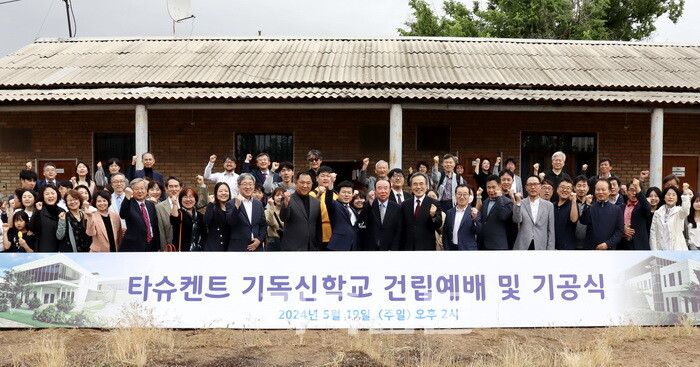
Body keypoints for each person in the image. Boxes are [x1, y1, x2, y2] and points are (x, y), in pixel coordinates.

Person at [280, 172, 322, 251]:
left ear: (312, 184)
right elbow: (284, 218)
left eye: (308, 183)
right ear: (296, 182)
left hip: (312, 248)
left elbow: (318, 226)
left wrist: (318, 247)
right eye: (302, 182)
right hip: (293, 248)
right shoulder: (288, 199)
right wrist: (286, 203)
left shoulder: (316, 202)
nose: (305, 186)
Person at [226, 173, 267, 252]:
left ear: (254, 186)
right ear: (238, 187)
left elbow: (263, 225)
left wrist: (259, 240)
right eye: (245, 184)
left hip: (257, 247)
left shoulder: (258, 204)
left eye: (250, 184)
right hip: (238, 247)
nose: (248, 187)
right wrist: (236, 207)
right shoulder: (231, 203)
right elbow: (231, 222)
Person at [400, 173, 441, 251]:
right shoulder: (405, 204)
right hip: (408, 247)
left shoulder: (434, 203)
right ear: (411, 187)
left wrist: (433, 216)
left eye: (421, 184)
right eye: (415, 184)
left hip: (426, 247)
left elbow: (438, 225)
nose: (418, 187)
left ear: (426, 186)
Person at [513, 176, 555, 250]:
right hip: (523, 244)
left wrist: (550, 250)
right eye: (530, 185)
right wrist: (518, 203)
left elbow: (551, 229)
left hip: (541, 244)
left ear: (540, 187)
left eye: (535, 184)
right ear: (526, 188)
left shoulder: (549, 205)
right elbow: (517, 220)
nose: (533, 187)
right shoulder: (521, 203)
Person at [579, 179, 624, 250]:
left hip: (609, 250)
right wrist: (587, 205)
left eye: (603, 190)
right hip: (591, 249)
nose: (600, 192)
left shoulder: (617, 209)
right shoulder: (590, 207)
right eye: (598, 189)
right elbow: (584, 221)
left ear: (609, 191)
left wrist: (607, 244)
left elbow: (619, 231)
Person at [119, 178, 160, 252]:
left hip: (150, 245)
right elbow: (123, 214)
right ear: (132, 191)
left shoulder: (150, 204)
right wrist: (127, 197)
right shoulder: (129, 203)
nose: (140, 191)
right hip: (133, 246)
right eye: (136, 189)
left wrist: (157, 246)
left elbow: (154, 226)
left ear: (146, 190)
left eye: (142, 188)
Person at [650, 184, 693, 251]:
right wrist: (654, 251)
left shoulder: (679, 211)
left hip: (677, 249)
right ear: (664, 197)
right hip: (661, 249)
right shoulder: (657, 213)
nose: (670, 197)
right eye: (668, 194)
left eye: (673, 195)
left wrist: (685, 194)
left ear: (677, 198)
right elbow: (653, 234)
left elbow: (685, 210)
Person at [362, 179, 402, 251]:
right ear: (375, 190)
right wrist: (370, 204)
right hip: (370, 249)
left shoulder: (397, 208)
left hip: (389, 249)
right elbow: (362, 223)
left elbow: (398, 231)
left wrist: (394, 249)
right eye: (379, 188)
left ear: (390, 190)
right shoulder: (369, 205)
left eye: (386, 188)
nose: (383, 191)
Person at [477, 174, 514, 251]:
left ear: (500, 187)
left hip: (498, 245)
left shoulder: (508, 202)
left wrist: (499, 198)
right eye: (488, 187)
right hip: (483, 245)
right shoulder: (485, 202)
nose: (491, 190)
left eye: (493, 187)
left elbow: (503, 216)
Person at [322, 180, 360, 251]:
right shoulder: (334, 205)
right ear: (338, 193)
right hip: (339, 245)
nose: (346, 195)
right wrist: (330, 183)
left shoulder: (353, 210)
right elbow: (328, 200)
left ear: (352, 195)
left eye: (349, 193)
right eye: (344, 192)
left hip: (353, 246)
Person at [442, 184, 481, 251]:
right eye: (459, 194)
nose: (462, 197)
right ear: (455, 196)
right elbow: (445, 234)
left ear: (469, 196)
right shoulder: (449, 212)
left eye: (465, 194)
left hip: (468, 250)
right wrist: (447, 249)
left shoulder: (474, 212)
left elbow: (478, 231)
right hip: (452, 249)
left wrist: (474, 219)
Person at [28, 184, 65, 252]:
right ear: (43, 196)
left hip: (60, 249)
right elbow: (32, 228)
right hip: (44, 249)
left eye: (53, 193)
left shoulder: (62, 211)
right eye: (47, 194)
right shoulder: (39, 210)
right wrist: (37, 211)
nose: (50, 196)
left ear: (57, 195)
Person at [170, 187, 207, 251]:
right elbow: (174, 220)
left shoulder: (200, 216)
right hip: (182, 252)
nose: (188, 199)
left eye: (191, 197)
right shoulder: (179, 213)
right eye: (185, 197)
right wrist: (174, 204)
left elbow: (204, 235)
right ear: (180, 200)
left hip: (198, 252)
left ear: (195, 200)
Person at [620, 179, 652, 250]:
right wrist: (623, 228)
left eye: (636, 190)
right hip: (622, 243)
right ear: (627, 191)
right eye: (631, 190)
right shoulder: (620, 207)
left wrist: (638, 188)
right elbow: (615, 223)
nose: (634, 193)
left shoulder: (642, 206)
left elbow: (647, 208)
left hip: (639, 244)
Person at [309, 166, 337, 250]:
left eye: (328, 176)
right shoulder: (312, 194)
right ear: (317, 178)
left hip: (334, 232)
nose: (325, 178)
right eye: (322, 176)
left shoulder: (336, 194)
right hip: (318, 231)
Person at [202, 182, 231, 252]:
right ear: (216, 194)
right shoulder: (212, 207)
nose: (223, 193)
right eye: (220, 191)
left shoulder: (233, 208)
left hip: (229, 247)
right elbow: (206, 222)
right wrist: (210, 204)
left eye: (226, 191)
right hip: (213, 247)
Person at [155, 176, 183, 250]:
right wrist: (164, 249)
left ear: (180, 188)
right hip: (170, 245)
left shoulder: (187, 203)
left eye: (176, 186)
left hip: (185, 245)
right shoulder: (159, 207)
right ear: (166, 188)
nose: (174, 189)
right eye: (171, 186)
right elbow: (161, 231)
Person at [553, 178, 579, 250]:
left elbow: (574, 219)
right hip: (552, 246)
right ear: (557, 189)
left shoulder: (573, 205)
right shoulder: (552, 206)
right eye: (562, 187)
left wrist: (574, 201)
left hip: (567, 247)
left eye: (568, 188)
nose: (565, 190)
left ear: (571, 191)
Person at [264, 187, 286, 251]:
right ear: (273, 197)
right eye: (277, 195)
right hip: (273, 241)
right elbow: (271, 222)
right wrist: (271, 206)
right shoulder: (267, 211)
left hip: (287, 240)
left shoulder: (288, 211)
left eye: (282, 195)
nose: (279, 197)